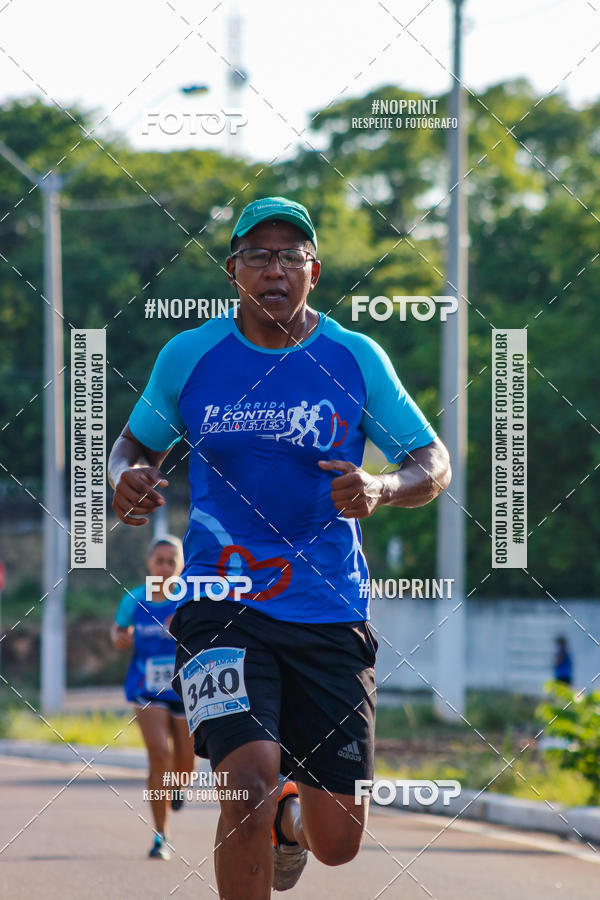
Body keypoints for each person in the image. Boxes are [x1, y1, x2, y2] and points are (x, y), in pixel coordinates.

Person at [108, 196, 451, 897]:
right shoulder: (190, 356)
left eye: (290, 255)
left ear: (314, 272)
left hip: (328, 608)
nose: (274, 268)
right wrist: (127, 478)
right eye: (258, 255)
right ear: (233, 270)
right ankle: (267, 806)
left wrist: (382, 488)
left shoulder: (355, 358)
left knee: (338, 841)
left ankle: (287, 821)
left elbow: (432, 461)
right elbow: (132, 445)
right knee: (247, 778)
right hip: (220, 599)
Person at [110, 534, 195, 860]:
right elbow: (116, 631)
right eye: (158, 560)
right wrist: (118, 637)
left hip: (185, 689)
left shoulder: (188, 600)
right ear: (149, 563)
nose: (164, 567)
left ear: (181, 565)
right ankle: (161, 835)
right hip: (145, 689)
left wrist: (187, 626)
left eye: (171, 561)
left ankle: (178, 786)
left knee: (185, 763)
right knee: (159, 753)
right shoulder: (134, 599)